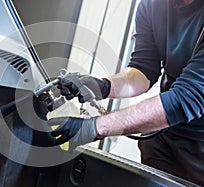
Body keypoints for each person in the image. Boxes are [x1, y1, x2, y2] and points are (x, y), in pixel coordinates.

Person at [48, 0, 204, 185]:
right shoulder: (151, 5)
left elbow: (188, 98)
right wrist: (102, 86)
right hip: (165, 134)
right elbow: (144, 69)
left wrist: (95, 127)